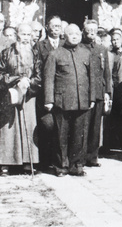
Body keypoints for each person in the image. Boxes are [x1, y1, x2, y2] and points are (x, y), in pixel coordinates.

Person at [44, 24, 93, 177]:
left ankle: (76, 166)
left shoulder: (86, 53)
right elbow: (48, 78)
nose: (75, 36)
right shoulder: (55, 54)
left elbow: (92, 78)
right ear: (64, 36)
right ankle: (61, 166)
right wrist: (49, 100)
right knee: (61, 135)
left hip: (81, 101)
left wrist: (91, 98)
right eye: (71, 34)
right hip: (62, 101)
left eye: (77, 33)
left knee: (79, 135)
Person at [0, 23, 42, 176]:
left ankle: (27, 163)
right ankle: (6, 163)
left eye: (28, 35)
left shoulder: (35, 53)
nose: (26, 38)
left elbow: (39, 75)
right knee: (9, 129)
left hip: (29, 95)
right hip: (10, 93)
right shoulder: (6, 52)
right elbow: (1, 73)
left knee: (29, 126)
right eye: (23, 34)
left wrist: (29, 84)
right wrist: (15, 81)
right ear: (17, 34)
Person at [81, 19, 112, 167]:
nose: (92, 32)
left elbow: (107, 73)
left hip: (99, 92)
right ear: (84, 31)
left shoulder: (101, 49)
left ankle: (92, 157)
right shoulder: (79, 48)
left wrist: (107, 92)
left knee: (95, 126)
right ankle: (81, 156)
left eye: (95, 30)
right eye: (89, 30)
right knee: (83, 126)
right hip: (84, 93)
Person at [34, 16, 64, 170]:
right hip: (46, 92)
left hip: (63, 93)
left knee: (62, 128)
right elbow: (37, 69)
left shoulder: (66, 45)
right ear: (47, 27)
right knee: (47, 126)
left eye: (59, 26)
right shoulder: (40, 46)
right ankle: (45, 162)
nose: (57, 28)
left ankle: (59, 161)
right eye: (54, 26)